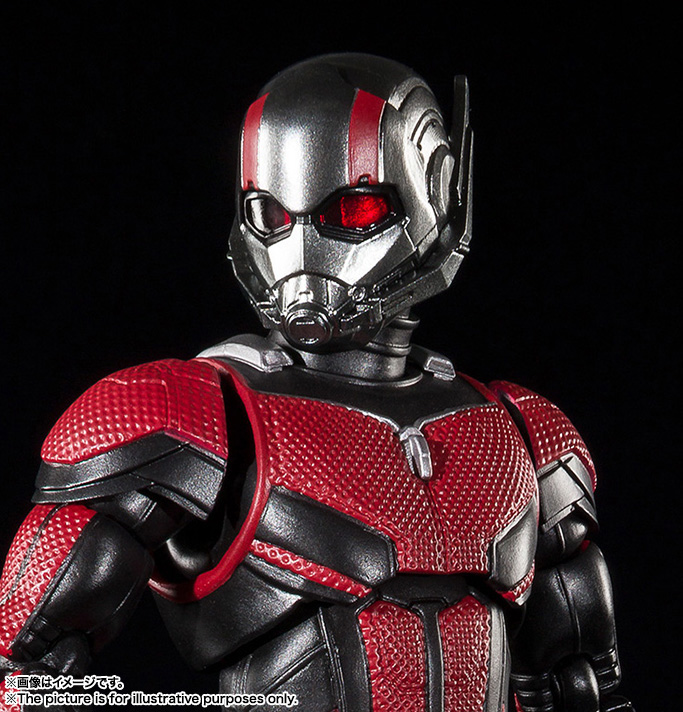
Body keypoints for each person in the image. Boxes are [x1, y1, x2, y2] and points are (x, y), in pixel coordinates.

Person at [0, 53, 633, 712]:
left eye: (353, 211)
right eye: (271, 216)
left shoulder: (521, 433)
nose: (301, 251)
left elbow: (580, 684)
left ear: (438, 191)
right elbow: (24, 671)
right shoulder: (192, 414)